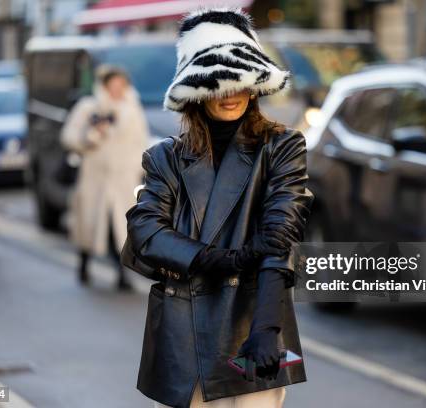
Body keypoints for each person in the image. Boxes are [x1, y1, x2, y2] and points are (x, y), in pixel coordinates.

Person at [123, 7, 314, 408]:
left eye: (239, 81)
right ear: (197, 89)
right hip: (185, 333)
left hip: (253, 321)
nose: (231, 94)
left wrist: (266, 326)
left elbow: (279, 237)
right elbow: (145, 230)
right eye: (218, 83)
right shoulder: (166, 157)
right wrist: (217, 260)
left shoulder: (282, 146)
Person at [61, 65, 150, 291]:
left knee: (121, 229)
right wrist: (91, 135)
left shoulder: (132, 110)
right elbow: (69, 137)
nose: (117, 89)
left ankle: (122, 275)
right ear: (105, 85)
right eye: (113, 85)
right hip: (95, 177)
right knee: (90, 224)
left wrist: (140, 169)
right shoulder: (88, 107)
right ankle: (83, 262)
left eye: (122, 85)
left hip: (124, 179)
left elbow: (141, 142)